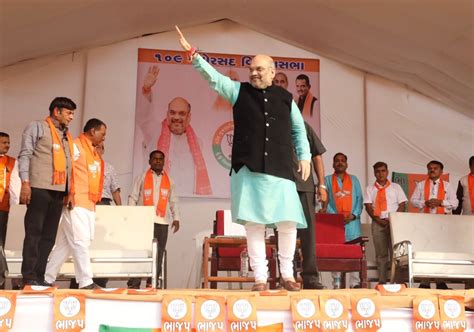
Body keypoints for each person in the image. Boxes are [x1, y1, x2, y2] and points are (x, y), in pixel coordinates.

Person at [177, 26, 311, 292]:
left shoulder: (286, 99)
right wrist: (194, 55)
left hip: (281, 168)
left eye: (259, 69)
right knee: (254, 225)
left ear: (272, 72)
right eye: (251, 69)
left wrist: (305, 156)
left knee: (287, 223)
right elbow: (214, 78)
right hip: (248, 169)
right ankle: (260, 278)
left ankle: (286, 275)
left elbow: (298, 129)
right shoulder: (239, 91)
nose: (253, 73)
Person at [18, 97, 76, 287]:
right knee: (34, 233)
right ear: (56, 111)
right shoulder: (37, 126)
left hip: (59, 191)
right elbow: (25, 155)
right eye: (68, 113)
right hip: (39, 187)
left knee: (49, 236)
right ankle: (29, 276)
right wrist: (25, 183)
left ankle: (40, 276)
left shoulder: (66, 135)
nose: (71, 117)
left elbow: (68, 165)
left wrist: (70, 191)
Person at [44, 118, 107, 289]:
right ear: (93, 131)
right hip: (75, 200)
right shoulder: (76, 146)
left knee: (65, 244)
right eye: (102, 134)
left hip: (88, 202)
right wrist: (69, 192)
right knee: (81, 241)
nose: (104, 138)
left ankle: (47, 278)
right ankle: (85, 281)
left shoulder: (94, 151)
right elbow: (66, 170)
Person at [139, 64, 212, 196]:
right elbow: (144, 117)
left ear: (189, 117)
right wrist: (146, 90)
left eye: (181, 113)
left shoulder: (198, 143)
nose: (176, 117)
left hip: (189, 200)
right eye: (172, 113)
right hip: (159, 199)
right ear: (167, 114)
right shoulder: (155, 132)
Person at [69, 142, 120, 289]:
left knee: (101, 244)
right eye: (95, 147)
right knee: (82, 241)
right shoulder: (82, 164)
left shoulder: (109, 167)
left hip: (103, 204)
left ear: (103, 150)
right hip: (86, 202)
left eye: (100, 147)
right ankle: (79, 280)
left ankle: (101, 280)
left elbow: (115, 190)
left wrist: (119, 209)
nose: (97, 149)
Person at [127, 150, 180, 289]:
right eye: (155, 159)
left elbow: (174, 201)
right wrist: (132, 214)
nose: (158, 161)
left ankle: (153, 282)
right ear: (149, 161)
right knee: (140, 251)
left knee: (159, 253)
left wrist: (176, 218)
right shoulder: (142, 177)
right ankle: (134, 283)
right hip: (143, 221)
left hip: (162, 222)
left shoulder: (170, 181)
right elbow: (133, 197)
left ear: (164, 162)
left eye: (160, 159)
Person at [410, 160, 458, 289]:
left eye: (435, 168)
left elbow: (455, 203)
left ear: (441, 171)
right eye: (430, 168)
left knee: (440, 252)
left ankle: (440, 281)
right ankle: (425, 281)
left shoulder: (447, 186)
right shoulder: (420, 185)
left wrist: (441, 202)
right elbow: (413, 201)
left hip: (442, 223)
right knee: (424, 251)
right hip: (425, 223)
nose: (432, 170)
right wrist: (425, 203)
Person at [292, 122, 327, 289]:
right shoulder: (273, 123)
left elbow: (317, 156)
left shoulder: (303, 126)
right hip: (282, 186)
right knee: (284, 232)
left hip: (305, 187)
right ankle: (288, 276)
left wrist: (322, 185)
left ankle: (311, 278)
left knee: (309, 234)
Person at [323, 152, 363, 288]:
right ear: (333, 164)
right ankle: (337, 283)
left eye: (342, 161)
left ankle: (354, 284)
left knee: (354, 253)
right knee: (336, 253)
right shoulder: (327, 180)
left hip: (352, 223)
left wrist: (354, 215)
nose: (340, 163)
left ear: (347, 164)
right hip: (335, 224)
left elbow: (359, 199)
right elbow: (324, 201)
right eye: (337, 161)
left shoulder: (354, 179)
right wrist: (336, 217)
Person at [363, 162, 407, 285]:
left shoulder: (395, 187)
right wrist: (379, 221)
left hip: (394, 223)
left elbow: (402, 204)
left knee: (396, 254)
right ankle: (382, 281)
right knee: (381, 254)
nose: (380, 174)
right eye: (377, 171)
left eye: (383, 171)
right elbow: (367, 206)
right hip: (378, 223)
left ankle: (397, 282)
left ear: (387, 172)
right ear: (374, 173)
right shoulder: (369, 189)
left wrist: (394, 220)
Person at [0, 132, 21, 289]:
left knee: (3, 245)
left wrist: (15, 212)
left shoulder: (13, 163)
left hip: (4, 210)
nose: (7, 145)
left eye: (8, 142)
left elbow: (15, 190)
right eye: (3, 142)